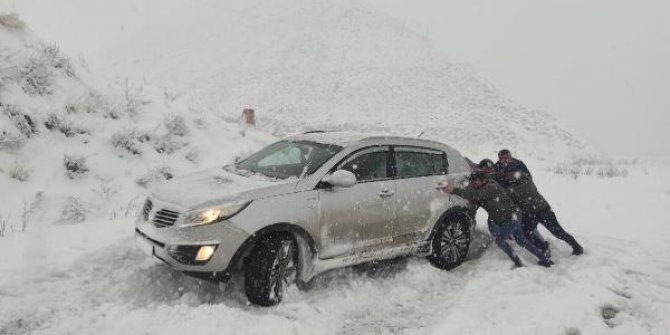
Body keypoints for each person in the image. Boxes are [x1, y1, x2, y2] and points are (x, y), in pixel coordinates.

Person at [443, 170, 553, 268]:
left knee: (500, 240)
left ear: (482, 180)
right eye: (472, 181)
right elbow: (474, 201)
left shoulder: (491, 186)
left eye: (476, 181)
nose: (473, 183)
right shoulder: (480, 187)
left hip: (512, 217)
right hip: (507, 218)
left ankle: (518, 261)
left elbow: (476, 195)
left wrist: (454, 190)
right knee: (521, 241)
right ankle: (544, 259)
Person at [495, 149, 584, 255]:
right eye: (502, 158)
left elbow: (515, 190)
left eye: (506, 157)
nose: (509, 175)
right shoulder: (505, 177)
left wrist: (505, 186)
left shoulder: (525, 178)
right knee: (525, 232)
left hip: (542, 209)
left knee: (558, 232)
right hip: (528, 212)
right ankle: (543, 247)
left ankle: (577, 247)